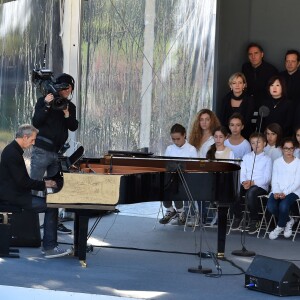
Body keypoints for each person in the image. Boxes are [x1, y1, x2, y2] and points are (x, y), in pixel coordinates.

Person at [0, 124, 72, 258]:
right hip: (13, 197)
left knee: (50, 204)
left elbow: (22, 180)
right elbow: (23, 182)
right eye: (32, 140)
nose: (33, 143)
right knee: (51, 206)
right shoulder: (12, 153)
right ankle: (49, 247)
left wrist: (44, 183)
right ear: (25, 137)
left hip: (15, 193)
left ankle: (49, 245)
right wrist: (45, 184)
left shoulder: (13, 150)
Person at [31, 73, 79, 234]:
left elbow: (73, 126)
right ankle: (27, 222)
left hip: (57, 153)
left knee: (54, 189)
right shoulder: (44, 100)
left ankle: (53, 223)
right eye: (63, 88)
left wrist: (66, 113)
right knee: (33, 185)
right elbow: (36, 122)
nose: (66, 91)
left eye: (69, 88)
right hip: (41, 151)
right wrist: (46, 104)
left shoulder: (70, 106)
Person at [231, 132, 272, 233]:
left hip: (260, 186)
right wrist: (244, 182)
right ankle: (237, 217)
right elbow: (242, 173)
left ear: (264, 144)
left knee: (251, 193)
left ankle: (254, 220)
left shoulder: (267, 159)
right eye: (253, 143)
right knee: (234, 190)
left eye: (258, 142)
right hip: (246, 184)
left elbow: (267, 178)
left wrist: (253, 183)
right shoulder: (246, 157)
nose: (256, 145)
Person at [159, 124, 198, 225]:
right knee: (161, 185)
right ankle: (171, 210)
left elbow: (194, 168)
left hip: (186, 180)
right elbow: (166, 166)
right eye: (173, 139)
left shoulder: (191, 149)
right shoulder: (170, 149)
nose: (176, 142)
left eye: (178, 139)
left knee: (175, 187)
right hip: (171, 178)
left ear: (184, 135)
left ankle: (181, 212)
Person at [267, 137, 300, 240]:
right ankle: (288, 220)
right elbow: (274, 179)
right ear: (282, 149)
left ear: (294, 149)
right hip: (278, 190)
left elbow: (297, 182)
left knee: (283, 205)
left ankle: (280, 227)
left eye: (291, 148)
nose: (289, 151)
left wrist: (285, 193)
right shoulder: (277, 162)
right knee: (270, 206)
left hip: (293, 191)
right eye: (286, 148)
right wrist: (276, 192)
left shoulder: (298, 162)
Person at [206, 126, 235, 225]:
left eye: (221, 137)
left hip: (224, 180)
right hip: (212, 180)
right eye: (216, 137)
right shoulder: (210, 150)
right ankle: (215, 213)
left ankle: (220, 214)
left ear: (225, 138)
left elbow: (231, 169)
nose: (218, 139)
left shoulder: (229, 152)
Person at [242, 42, 278, 110]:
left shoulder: (271, 70)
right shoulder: (245, 67)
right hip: (248, 104)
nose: (253, 57)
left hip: (265, 106)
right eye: (250, 54)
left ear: (262, 54)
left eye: (256, 53)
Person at [219, 72, 255, 139]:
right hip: (227, 134)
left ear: (244, 85)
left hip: (245, 134)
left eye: (240, 83)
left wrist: (237, 134)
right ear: (230, 86)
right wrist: (227, 134)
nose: (237, 85)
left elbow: (247, 120)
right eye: (234, 83)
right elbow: (222, 119)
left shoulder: (249, 100)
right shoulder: (225, 99)